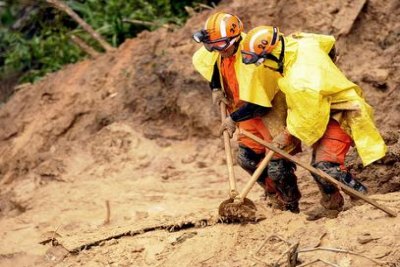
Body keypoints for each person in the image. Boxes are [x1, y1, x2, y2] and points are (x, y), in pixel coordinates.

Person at [240, 26, 387, 210]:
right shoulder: (299, 41)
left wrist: (286, 135)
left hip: (341, 112)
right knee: (317, 165)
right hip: (322, 107)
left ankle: (364, 200)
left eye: (262, 60)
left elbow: (307, 118)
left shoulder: (300, 80)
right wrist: (328, 69)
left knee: (324, 166)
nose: (262, 65)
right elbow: (328, 42)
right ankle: (332, 205)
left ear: (272, 54)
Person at [191, 12, 301, 212]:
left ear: (234, 40)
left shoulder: (252, 58)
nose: (216, 50)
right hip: (245, 112)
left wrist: (232, 119)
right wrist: (216, 87)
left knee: (277, 167)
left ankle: (291, 205)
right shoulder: (220, 52)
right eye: (212, 46)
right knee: (247, 159)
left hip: (268, 110)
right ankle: (273, 194)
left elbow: (261, 103)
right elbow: (213, 65)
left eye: (219, 46)